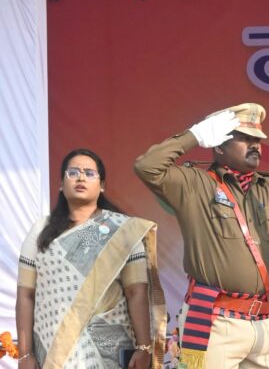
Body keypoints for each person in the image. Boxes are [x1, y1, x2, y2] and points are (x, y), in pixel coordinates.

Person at [134, 103, 269, 369]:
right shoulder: (194, 184)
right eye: (244, 139)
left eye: (257, 140)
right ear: (219, 145)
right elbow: (147, 167)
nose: (255, 146)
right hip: (215, 320)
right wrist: (194, 135)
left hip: (264, 324)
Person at [16, 148, 166, 369]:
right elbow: (26, 295)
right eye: (73, 172)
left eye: (89, 173)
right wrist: (25, 354)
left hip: (107, 352)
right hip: (52, 351)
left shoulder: (121, 230)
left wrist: (144, 347)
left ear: (102, 185)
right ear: (61, 183)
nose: (81, 177)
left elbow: (136, 291)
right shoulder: (40, 230)